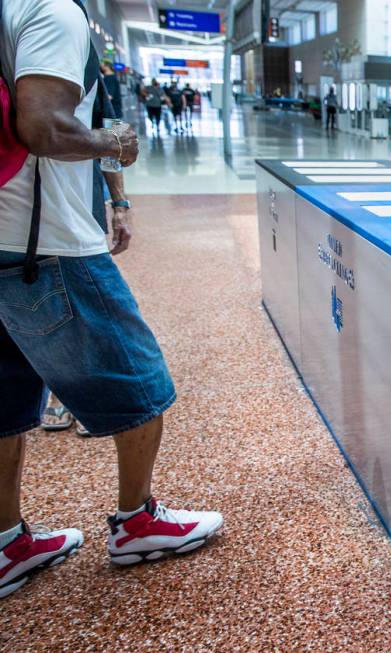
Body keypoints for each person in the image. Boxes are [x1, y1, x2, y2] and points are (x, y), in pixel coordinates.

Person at [0, 0, 222, 599]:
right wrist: (115, 144)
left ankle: (7, 545)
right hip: (44, 244)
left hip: (4, 239)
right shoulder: (52, 11)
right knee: (138, 378)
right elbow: (44, 127)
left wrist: (116, 197)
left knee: (7, 398)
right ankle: (137, 523)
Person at [42, 68, 134, 435]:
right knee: (44, 307)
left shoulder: (86, 61)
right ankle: (60, 390)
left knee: (88, 302)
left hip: (80, 211)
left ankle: (86, 393)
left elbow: (112, 130)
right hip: (20, 216)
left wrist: (120, 203)